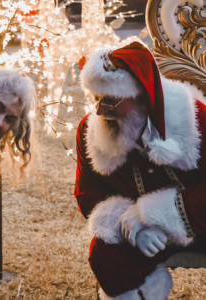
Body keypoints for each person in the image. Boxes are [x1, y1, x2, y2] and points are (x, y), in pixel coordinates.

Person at [74, 41, 206, 299]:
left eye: (110, 100)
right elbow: (87, 192)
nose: (99, 110)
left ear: (142, 95)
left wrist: (155, 216)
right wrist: (133, 227)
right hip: (138, 231)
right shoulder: (89, 131)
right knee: (106, 258)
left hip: (201, 220)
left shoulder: (197, 121)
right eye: (95, 98)